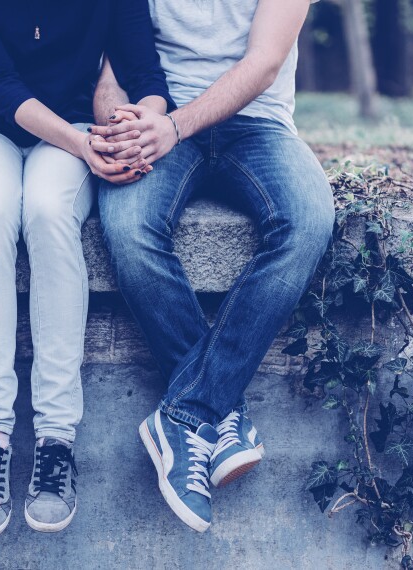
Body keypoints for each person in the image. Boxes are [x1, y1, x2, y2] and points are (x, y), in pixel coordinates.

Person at [91, 0, 335, 532]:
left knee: (309, 220)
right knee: (130, 228)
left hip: (258, 124)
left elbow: (264, 64)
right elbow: (112, 62)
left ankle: (185, 414)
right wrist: (119, 124)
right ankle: (220, 410)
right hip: (159, 116)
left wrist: (174, 127)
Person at [0, 0, 171, 538]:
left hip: (76, 130)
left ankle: (56, 439)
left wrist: (144, 120)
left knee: (47, 211)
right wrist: (84, 146)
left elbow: (147, 73)